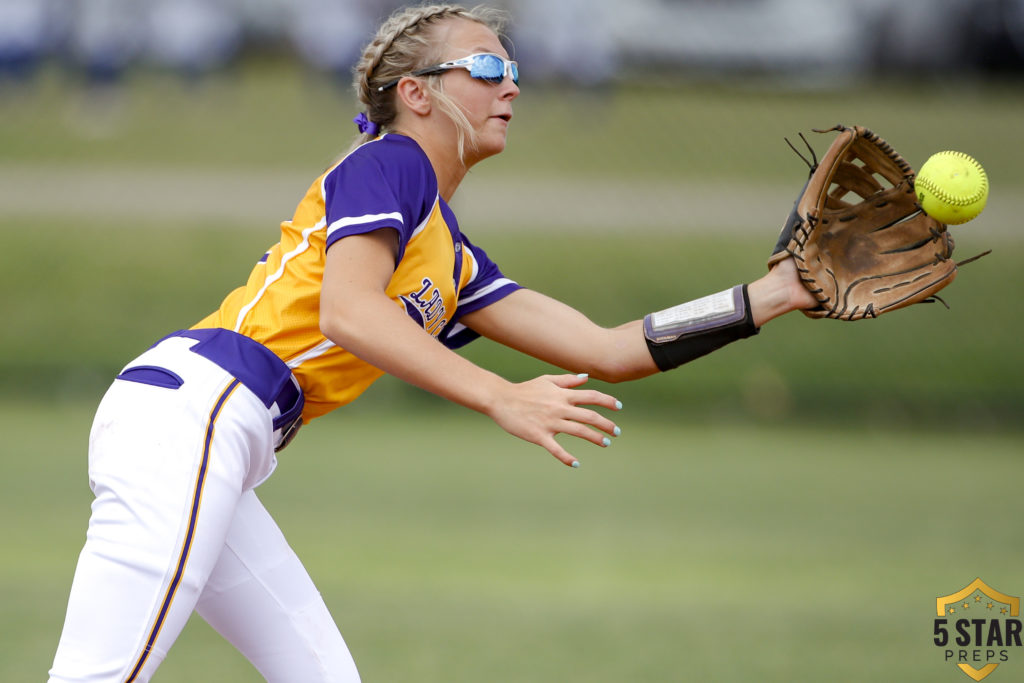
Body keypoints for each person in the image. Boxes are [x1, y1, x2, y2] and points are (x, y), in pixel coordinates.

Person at [48, 4, 817, 681]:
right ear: (416, 95)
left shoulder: (452, 256)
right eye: (486, 67)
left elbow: (606, 347)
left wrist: (771, 295)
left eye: (514, 70)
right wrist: (499, 394)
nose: (511, 84)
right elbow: (348, 313)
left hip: (224, 439)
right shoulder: (389, 164)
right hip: (195, 416)